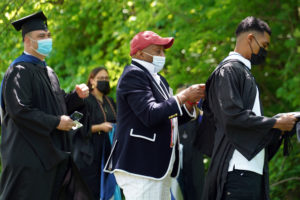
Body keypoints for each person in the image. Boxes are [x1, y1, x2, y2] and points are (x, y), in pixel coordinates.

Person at [199, 16, 297, 200]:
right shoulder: (228, 71)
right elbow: (232, 117)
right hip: (237, 171)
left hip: (252, 172)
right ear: (250, 39)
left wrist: (280, 128)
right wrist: (276, 123)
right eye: (265, 45)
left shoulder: (244, 73)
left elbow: (249, 126)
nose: (265, 51)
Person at [0, 11, 92, 199]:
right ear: (27, 41)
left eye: (48, 36)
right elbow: (19, 110)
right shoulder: (19, 71)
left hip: (53, 156)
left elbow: (58, 105)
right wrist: (56, 122)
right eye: (41, 36)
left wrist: (77, 97)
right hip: (29, 158)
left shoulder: (48, 71)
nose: (46, 40)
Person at [104, 31, 205, 200]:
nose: (162, 56)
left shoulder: (160, 80)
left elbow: (168, 117)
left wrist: (188, 103)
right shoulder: (133, 75)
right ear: (139, 53)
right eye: (158, 51)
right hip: (141, 164)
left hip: (158, 165)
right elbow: (150, 114)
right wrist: (182, 97)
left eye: (163, 51)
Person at [72, 67, 117, 200]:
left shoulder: (110, 102)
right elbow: (73, 124)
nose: (105, 81)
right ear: (92, 80)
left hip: (108, 154)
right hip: (87, 156)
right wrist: (98, 127)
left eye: (107, 78)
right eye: (101, 79)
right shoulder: (84, 101)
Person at [176, 86, 205, 200]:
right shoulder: (174, 118)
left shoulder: (198, 117)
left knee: (196, 190)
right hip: (178, 163)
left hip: (194, 161)